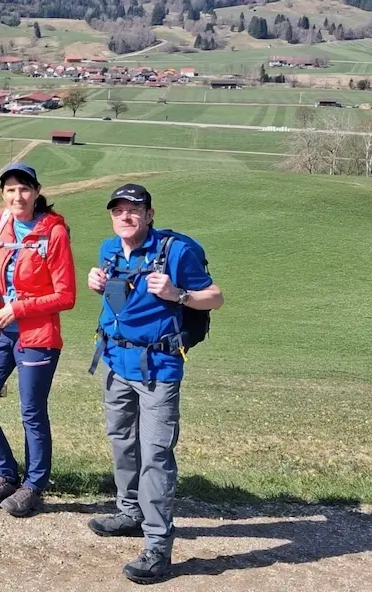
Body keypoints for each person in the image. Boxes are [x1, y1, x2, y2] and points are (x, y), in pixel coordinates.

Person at [85, 184, 223, 584]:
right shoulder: (108, 249)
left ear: (149, 214)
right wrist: (98, 282)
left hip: (158, 369)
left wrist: (178, 293)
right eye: (118, 210)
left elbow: (215, 296)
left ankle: (158, 545)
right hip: (114, 363)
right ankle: (129, 512)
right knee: (122, 442)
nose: (125, 217)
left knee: (156, 455)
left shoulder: (176, 252)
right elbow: (119, 299)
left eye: (134, 210)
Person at [0, 163, 76, 518]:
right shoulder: (2, 222)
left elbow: (66, 295)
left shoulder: (54, 233)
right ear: (2, 194)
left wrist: (18, 307)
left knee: (31, 412)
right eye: (11, 189)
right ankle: (5, 474)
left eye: (24, 189)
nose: (18, 196)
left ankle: (34, 484)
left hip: (37, 334)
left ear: (37, 191)